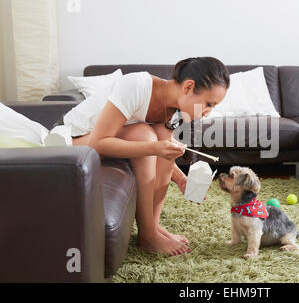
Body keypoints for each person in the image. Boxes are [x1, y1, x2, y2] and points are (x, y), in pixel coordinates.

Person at [65, 57, 230, 256]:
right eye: (208, 104)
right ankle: (148, 235)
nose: (208, 113)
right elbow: (98, 142)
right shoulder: (136, 86)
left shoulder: (171, 112)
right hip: (75, 139)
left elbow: (161, 153)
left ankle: (152, 226)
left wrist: (180, 179)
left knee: (162, 138)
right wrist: (154, 147)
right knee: (145, 135)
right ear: (188, 86)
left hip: (108, 139)